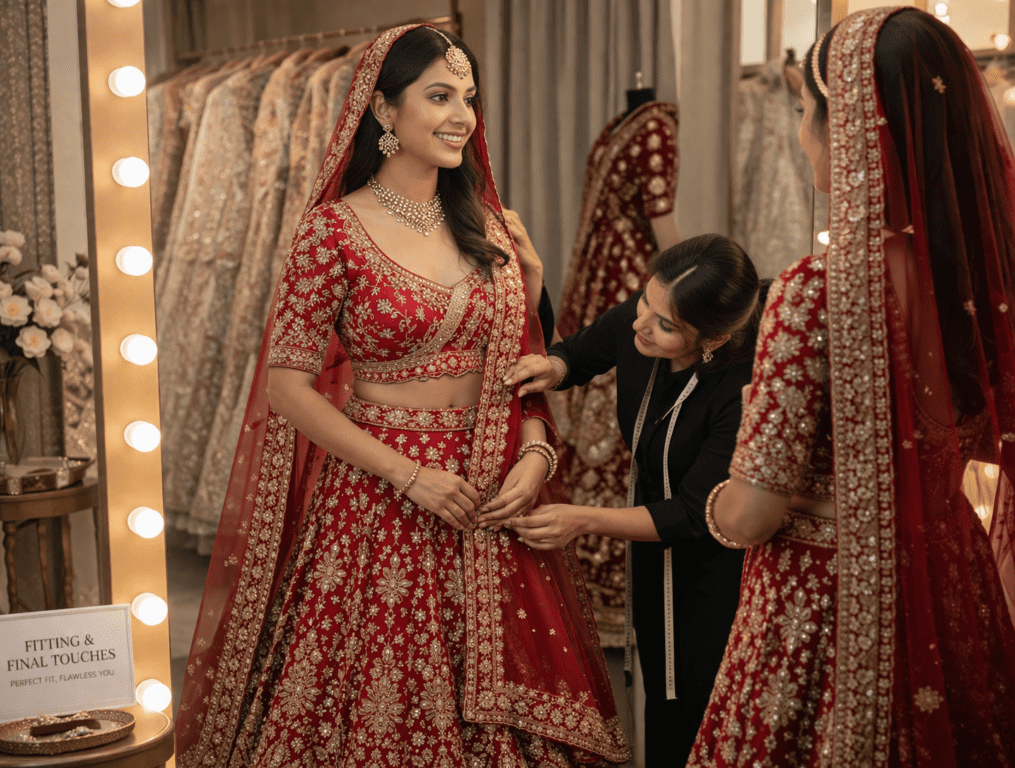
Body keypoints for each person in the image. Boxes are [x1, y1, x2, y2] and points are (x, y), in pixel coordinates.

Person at [174, 25, 629, 768]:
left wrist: (538, 454)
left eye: (469, 100)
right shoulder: (332, 233)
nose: (462, 117)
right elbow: (288, 388)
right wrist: (408, 474)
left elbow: (522, 367)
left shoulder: (490, 228)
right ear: (384, 111)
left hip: (492, 499)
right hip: (378, 500)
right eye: (440, 96)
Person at [690, 8, 1015, 766]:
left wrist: (716, 499)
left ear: (854, 132)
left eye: (806, 112)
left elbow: (752, 514)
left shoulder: (817, 294)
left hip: (824, 610)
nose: (802, 135)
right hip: (947, 587)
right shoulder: (982, 281)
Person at [484, 234, 764, 765]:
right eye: (645, 302)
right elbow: (582, 353)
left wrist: (581, 520)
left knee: (700, 706)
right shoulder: (644, 323)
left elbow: (693, 512)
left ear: (714, 338)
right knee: (659, 697)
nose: (641, 324)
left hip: (719, 570)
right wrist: (554, 367)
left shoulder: (740, 389)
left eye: (665, 325)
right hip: (654, 560)